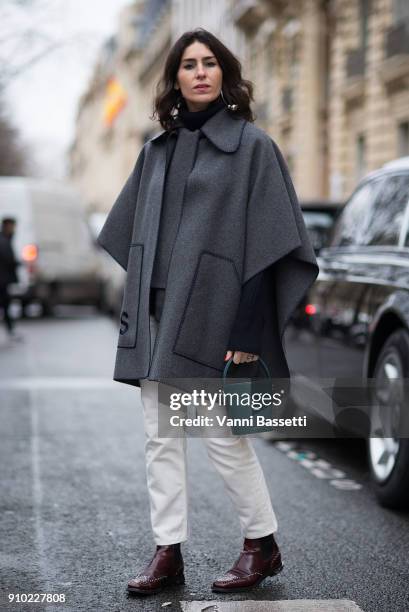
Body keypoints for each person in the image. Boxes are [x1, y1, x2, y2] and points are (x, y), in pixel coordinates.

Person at [97, 28, 319, 596]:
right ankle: (167, 551)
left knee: (223, 436)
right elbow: (130, 235)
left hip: (220, 317)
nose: (199, 72)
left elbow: (270, 243)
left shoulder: (253, 147)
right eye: (188, 64)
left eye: (210, 63)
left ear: (225, 73)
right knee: (160, 437)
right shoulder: (157, 151)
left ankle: (261, 544)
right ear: (174, 78)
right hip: (158, 317)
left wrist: (248, 326)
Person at [0, 217, 22, 341]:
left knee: (6, 306)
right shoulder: (3, 241)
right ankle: (11, 331)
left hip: (3, 280)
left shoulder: (6, 239)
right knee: (5, 305)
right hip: (2, 280)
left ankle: (11, 331)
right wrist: (19, 263)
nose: (14, 229)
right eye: (12, 226)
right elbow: (8, 260)